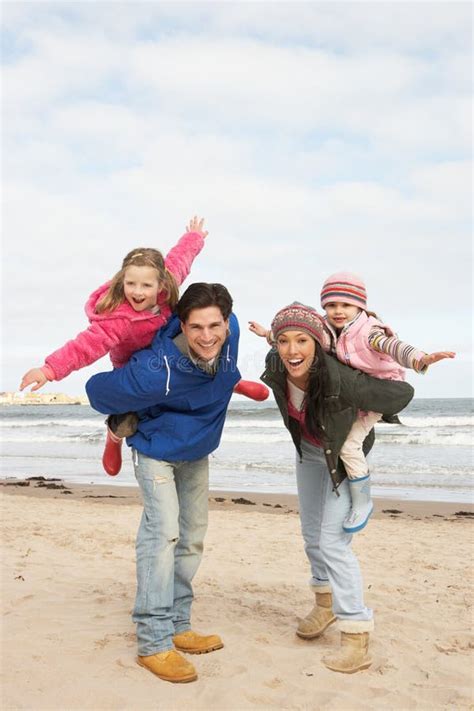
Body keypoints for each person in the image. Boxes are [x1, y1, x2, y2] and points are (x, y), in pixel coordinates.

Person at [86, 283, 246, 684]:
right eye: (196, 328)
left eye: (215, 325)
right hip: (156, 447)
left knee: (192, 537)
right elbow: (95, 390)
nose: (207, 336)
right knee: (163, 536)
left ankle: (179, 624)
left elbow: (219, 360)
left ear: (227, 322)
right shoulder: (155, 371)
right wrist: (129, 406)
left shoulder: (233, 332)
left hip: (198, 448)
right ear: (182, 325)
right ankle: (154, 641)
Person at [19, 218, 265, 476]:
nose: (137, 292)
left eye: (146, 285)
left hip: (168, 348)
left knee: (200, 350)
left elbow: (181, 258)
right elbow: (83, 347)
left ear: (160, 283)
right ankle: (113, 435)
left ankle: (231, 382)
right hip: (136, 363)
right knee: (132, 415)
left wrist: (195, 238)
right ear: (121, 281)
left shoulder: (168, 284)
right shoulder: (118, 320)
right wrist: (49, 370)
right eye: (131, 284)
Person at [258, 302, 414, 673]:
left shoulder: (340, 376)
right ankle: (324, 604)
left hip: (340, 461)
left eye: (301, 340)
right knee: (312, 536)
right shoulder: (278, 364)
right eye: (283, 340)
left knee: (333, 543)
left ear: (317, 342)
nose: (292, 349)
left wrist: (371, 401)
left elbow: (401, 394)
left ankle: (356, 634)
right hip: (308, 453)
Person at [250, 272, 455, 533]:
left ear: (360, 306)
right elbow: (298, 336)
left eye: (345, 305)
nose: (338, 311)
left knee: (349, 445)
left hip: (382, 388)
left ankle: (363, 501)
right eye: (332, 305)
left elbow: (393, 346)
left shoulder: (369, 332)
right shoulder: (328, 329)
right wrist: (268, 334)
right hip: (355, 389)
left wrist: (420, 359)